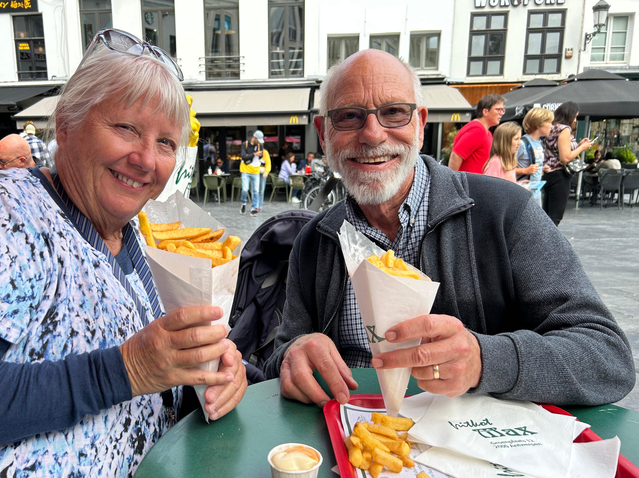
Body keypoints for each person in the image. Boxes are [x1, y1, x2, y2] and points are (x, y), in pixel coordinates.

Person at [0, 29, 246, 478]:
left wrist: (202, 378)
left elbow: (138, 374)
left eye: (166, 143)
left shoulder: (129, 237)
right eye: (127, 128)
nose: (147, 159)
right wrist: (127, 368)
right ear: (66, 123)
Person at [262, 49, 634, 409]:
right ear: (323, 133)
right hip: (352, 438)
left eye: (394, 112)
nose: (373, 134)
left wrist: (484, 360)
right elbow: (283, 352)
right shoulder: (315, 241)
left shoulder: (504, 212)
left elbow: (607, 358)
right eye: (348, 116)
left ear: (421, 125)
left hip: (482, 452)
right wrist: (292, 356)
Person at [541, 101, 593, 226]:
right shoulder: (564, 129)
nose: (575, 120)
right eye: (575, 116)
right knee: (555, 216)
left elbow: (556, 150)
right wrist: (582, 148)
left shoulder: (551, 127)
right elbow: (564, 158)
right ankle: (548, 243)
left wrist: (578, 145)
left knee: (547, 214)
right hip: (559, 174)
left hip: (547, 172)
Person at [448, 94, 506, 174]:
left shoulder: (486, 132)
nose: (501, 113)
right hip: (468, 184)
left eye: (503, 110)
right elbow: (456, 155)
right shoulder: (477, 130)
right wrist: (451, 181)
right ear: (485, 112)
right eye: (498, 109)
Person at [516, 108, 553, 207]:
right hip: (523, 193)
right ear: (538, 123)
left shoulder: (539, 142)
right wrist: (525, 171)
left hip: (536, 192)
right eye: (548, 122)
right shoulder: (522, 143)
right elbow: (506, 168)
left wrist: (542, 168)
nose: (551, 126)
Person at [240, 130, 264, 216]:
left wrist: (260, 154)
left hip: (255, 170)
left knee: (256, 190)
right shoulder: (245, 144)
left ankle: (254, 208)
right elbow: (243, 156)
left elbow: (261, 155)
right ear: (255, 137)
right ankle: (243, 203)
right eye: (258, 140)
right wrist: (255, 154)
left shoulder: (259, 145)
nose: (259, 142)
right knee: (245, 189)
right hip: (245, 170)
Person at [255, 146, 271, 212]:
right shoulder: (253, 153)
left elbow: (268, 163)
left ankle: (259, 207)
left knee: (261, 190)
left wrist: (266, 172)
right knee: (256, 190)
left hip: (262, 173)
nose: (260, 152)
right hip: (255, 173)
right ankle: (255, 206)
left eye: (261, 151)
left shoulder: (265, 153)